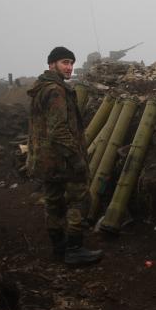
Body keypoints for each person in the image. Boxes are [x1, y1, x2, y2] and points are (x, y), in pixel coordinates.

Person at [26, 46, 103, 265]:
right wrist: (76, 158)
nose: (69, 67)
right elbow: (58, 130)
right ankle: (75, 249)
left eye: (71, 62)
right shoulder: (56, 91)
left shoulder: (40, 88)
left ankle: (59, 249)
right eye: (64, 62)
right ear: (52, 64)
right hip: (62, 160)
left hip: (46, 161)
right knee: (79, 200)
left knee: (53, 202)